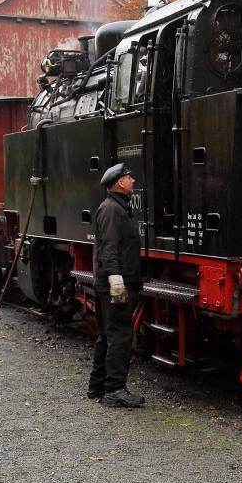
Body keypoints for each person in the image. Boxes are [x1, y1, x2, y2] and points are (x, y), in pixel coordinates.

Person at [88, 163, 145, 408]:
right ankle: (115, 390)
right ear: (120, 183)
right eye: (129, 177)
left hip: (110, 281)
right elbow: (108, 247)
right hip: (114, 284)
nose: (133, 181)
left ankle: (97, 387)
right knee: (120, 336)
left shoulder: (115, 207)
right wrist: (116, 280)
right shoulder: (112, 209)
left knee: (107, 336)